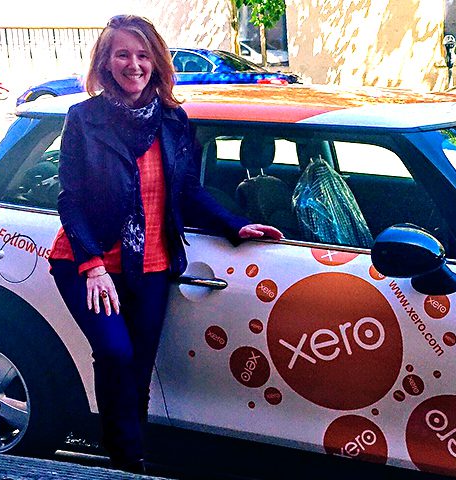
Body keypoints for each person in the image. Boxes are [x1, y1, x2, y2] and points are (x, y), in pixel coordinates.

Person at [48, 15, 282, 473]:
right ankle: (127, 457)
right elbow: (70, 198)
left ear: (156, 62)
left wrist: (236, 225)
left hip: (152, 265)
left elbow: (188, 191)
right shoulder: (84, 118)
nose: (133, 64)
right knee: (115, 353)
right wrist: (93, 264)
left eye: (142, 55)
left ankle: (124, 458)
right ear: (106, 60)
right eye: (122, 54)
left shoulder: (172, 119)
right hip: (89, 261)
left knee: (138, 367)